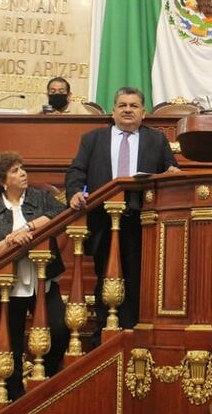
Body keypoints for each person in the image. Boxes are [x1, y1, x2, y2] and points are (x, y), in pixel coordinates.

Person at [66, 87, 180, 332]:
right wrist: (75, 192)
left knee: (139, 280)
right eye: (123, 105)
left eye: (134, 106)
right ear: (113, 111)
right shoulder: (92, 139)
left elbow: (172, 170)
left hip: (143, 222)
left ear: (144, 113)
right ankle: (104, 335)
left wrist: (173, 173)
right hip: (103, 221)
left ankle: (134, 333)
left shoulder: (156, 140)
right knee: (105, 279)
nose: (128, 110)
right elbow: (76, 172)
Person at [0, 152, 70, 400]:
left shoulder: (40, 197)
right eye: (15, 171)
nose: (23, 173)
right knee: (11, 344)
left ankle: (46, 377)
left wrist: (28, 227)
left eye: (22, 168)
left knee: (60, 329)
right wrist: (8, 241)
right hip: (8, 285)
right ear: (3, 181)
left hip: (43, 279)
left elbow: (61, 213)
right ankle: (17, 399)